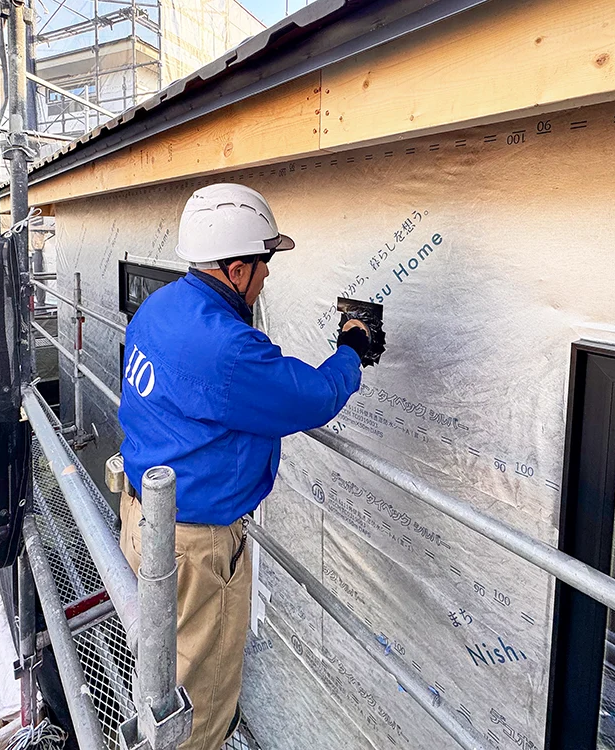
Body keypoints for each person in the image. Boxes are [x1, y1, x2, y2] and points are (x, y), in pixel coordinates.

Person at [117, 183, 372, 750]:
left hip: (143, 520)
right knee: (196, 710)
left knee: (161, 671)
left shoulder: (159, 308)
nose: (266, 278)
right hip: (196, 549)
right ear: (236, 270)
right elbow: (312, 396)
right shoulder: (229, 348)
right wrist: (353, 347)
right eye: (263, 266)